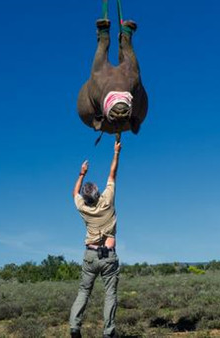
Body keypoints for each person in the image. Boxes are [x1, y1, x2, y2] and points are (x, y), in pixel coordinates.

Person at [69, 141, 121, 338]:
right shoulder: (107, 200)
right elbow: (112, 173)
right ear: (98, 193)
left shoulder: (83, 208)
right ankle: (108, 333)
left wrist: (81, 173)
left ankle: (75, 328)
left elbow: (74, 193)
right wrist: (116, 152)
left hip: (90, 255)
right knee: (110, 295)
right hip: (109, 257)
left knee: (84, 292)